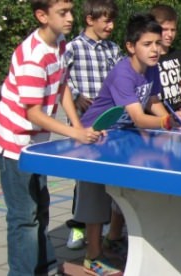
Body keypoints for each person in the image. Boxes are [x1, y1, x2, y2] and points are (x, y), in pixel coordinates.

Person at [77, 13, 181, 275]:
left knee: (125, 191)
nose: (154, 49)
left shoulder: (151, 67)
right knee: (96, 197)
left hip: (119, 136)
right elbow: (139, 117)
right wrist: (166, 124)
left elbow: (152, 101)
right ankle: (92, 256)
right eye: (147, 44)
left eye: (156, 43)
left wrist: (173, 117)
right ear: (131, 46)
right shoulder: (123, 74)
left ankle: (114, 239)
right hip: (95, 136)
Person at [0, 1, 99, 274]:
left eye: (71, 11)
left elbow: (62, 85)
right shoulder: (33, 56)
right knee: (24, 217)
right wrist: (74, 133)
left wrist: (77, 124)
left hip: (36, 144)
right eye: (62, 13)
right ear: (42, 16)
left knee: (41, 209)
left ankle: (47, 267)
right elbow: (34, 114)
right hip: (14, 143)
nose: (71, 18)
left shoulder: (60, 43)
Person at [60, 0, 122, 251]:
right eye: (106, 20)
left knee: (105, 177)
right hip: (82, 124)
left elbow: (120, 78)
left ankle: (102, 225)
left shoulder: (113, 49)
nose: (111, 25)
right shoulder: (72, 47)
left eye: (112, 20)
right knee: (83, 180)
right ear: (90, 20)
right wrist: (76, 95)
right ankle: (78, 226)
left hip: (109, 122)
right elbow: (61, 78)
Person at [150, 4, 181, 116]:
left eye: (173, 30)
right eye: (164, 29)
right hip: (157, 119)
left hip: (179, 115)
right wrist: (169, 117)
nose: (170, 34)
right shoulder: (149, 60)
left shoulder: (179, 56)